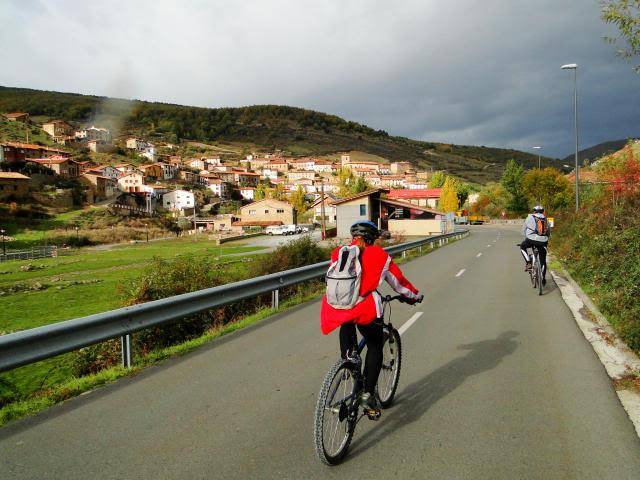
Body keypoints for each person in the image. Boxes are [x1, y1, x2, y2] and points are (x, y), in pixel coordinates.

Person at [320, 220, 422, 419]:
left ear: (354, 237)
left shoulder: (338, 253)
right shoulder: (379, 255)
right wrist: (413, 296)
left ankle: (348, 362)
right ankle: (367, 394)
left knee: (349, 340)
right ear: (372, 239)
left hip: (337, 309)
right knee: (375, 345)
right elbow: (398, 283)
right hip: (365, 310)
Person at [520, 205, 550, 285]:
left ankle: (528, 263)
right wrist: (545, 240)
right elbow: (549, 232)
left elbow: (523, 231)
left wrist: (526, 239)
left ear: (534, 211)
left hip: (531, 239)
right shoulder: (545, 219)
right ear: (543, 211)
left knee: (522, 247)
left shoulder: (529, 217)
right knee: (543, 260)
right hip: (543, 241)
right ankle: (543, 279)